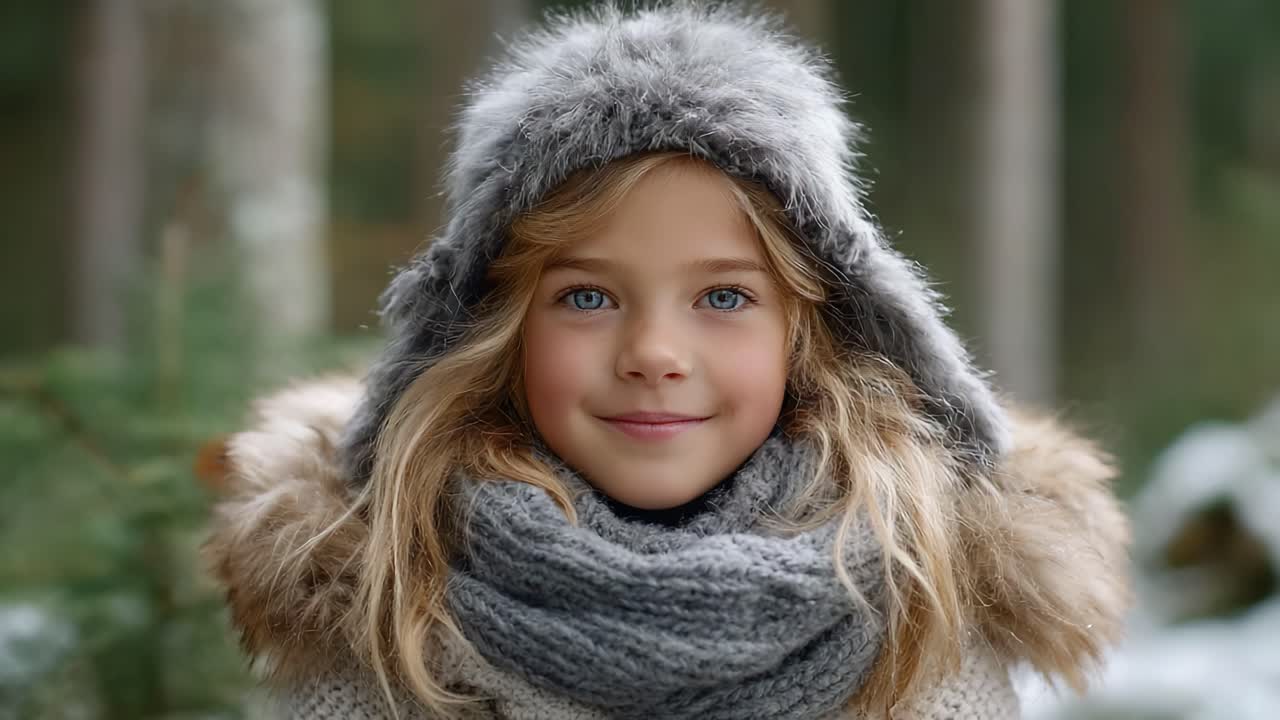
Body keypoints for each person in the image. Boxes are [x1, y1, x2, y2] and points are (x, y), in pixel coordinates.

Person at [203, 3, 1131, 718]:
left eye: (724, 298)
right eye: (587, 297)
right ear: (494, 330)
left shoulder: (920, 613)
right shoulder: (383, 619)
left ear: (811, 329)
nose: (651, 353)